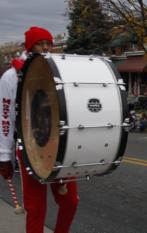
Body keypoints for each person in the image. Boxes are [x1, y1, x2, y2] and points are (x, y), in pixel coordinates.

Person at [0, 26, 79, 233]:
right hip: (29, 147)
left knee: (70, 201)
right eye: (40, 43)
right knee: (36, 208)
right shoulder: (11, 76)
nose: (45, 48)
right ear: (30, 46)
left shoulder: (59, 70)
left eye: (48, 44)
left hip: (59, 145)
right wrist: (4, 156)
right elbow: (5, 118)